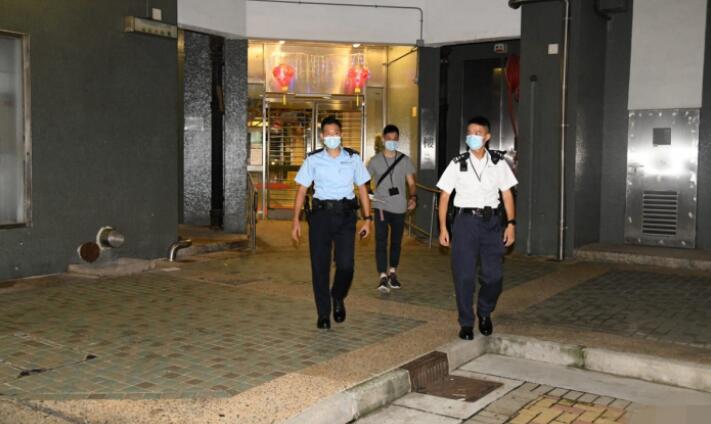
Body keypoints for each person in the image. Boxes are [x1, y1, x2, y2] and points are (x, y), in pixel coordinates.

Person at [436, 116, 517, 340]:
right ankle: (466, 322)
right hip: (465, 224)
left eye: (478, 133)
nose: (473, 136)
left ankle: (484, 311)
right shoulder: (457, 163)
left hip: (492, 224)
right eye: (470, 133)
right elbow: (444, 196)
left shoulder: (498, 163)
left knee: (494, 277)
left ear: (487, 137)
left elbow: (507, 194)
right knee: (464, 276)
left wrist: (511, 224)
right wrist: (443, 228)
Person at [292, 115, 373, 330]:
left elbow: (363, 189)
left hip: (346, 216)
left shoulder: (353, 158)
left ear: (341, 134)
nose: (332, 137)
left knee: (346, 265)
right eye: (328, 134)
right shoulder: (313, 160)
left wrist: (368, 219)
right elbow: (301, 190)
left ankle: (337, 296)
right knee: (320, 267)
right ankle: (323, 314)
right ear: (322, 136)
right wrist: (295, 220)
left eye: (335, 133)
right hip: (320, 217)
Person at [366, 125, 417, 293]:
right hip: (381, 205)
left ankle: (392, 272)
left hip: (399, 207)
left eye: (395, 139)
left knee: (396, 242)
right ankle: (382, 275)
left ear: (398, 140)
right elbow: (364, 180)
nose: (392, 142)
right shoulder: (375, 161)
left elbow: (411, 183)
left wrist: (413, 197)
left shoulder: (405, 160)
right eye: (389, 139)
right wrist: (368, 193)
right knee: (381, 241)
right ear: (383, 139)